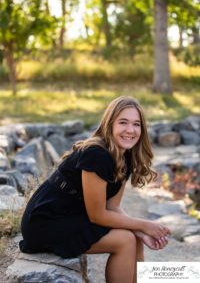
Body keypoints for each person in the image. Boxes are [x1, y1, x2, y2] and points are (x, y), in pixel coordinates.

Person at [19, 96, 171, 283]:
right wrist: (145, 225)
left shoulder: (126, 155)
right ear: (110, 124)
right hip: (46, 221)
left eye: (136, 124)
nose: (130, 130)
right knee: (125, 240)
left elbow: (112, 207)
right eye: (123, 122)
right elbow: (97, 216)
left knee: (134, 237)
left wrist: (140, 232)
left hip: (71, 215)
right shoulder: (96, 154)